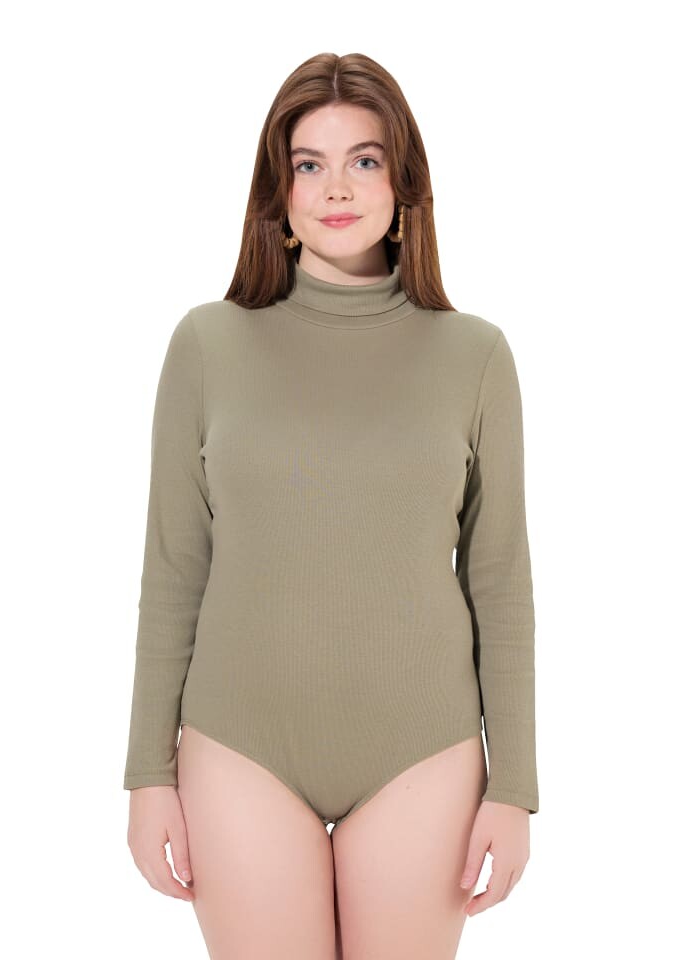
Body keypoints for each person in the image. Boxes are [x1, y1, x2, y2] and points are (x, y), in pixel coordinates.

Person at [123, 52, 539, 960]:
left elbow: (501, 582)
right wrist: (147, 773)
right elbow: (174, 570)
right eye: (309, 163)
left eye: (365, 160)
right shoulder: (207, 344)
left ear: (404, 182)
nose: (336, 188)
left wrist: (515, 787)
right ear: (278, 190)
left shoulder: (475, 356)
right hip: (239, 745)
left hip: (422, 750)